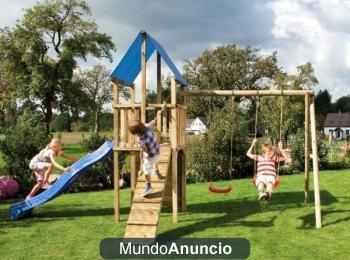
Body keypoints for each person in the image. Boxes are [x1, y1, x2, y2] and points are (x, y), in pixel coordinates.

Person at [128, 106, 166, 197]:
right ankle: (157, 172)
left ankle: (148, 186)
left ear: (136, 133)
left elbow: (145, 149)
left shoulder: (141, 140)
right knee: (156, 161)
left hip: (150, 155)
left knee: (146, 171)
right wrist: (159, 113)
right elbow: (153, 122)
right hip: (157, 149)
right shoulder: (147, 126)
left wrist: (142, 152)